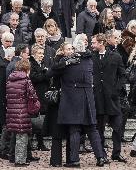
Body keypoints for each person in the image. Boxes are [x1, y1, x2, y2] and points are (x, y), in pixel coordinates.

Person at [52, 35, 106, 168]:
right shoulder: (90, 59)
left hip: (72, 98)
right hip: (88, 97)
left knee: (74, 129)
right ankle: (100, 157)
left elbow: (52, 72)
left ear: (75, 48)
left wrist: (61, 58)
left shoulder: (69, 62)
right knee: (92, 129)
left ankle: (74, 160)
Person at [91, 33, 127, 163]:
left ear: (101, 43)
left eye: (94, 42)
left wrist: (116, 90)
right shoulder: (91, 57)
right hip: (98, 98)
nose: (92, 44)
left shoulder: (116, 56)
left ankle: (116, 153)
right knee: (99, 128)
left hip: (112, 99)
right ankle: (102, 154)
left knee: (117, 127)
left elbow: (122, 75)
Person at [6, 59, 39, 167]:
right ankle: (20, 160)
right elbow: (32, 95)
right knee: (22, 136)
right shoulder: (26, 80)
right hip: (22, 112)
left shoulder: (10, 80)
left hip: (11, 111)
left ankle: (12, 157)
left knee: (14, 135)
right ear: (27, 69)